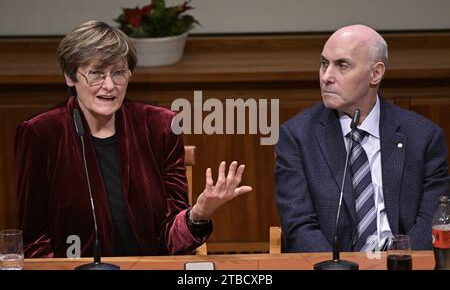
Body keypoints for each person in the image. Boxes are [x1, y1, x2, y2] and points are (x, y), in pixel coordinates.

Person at [15, 20, 252, 258]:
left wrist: (198, 214)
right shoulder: (40, 134)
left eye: (118, 73)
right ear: (70, 76)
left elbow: (171, 240)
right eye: (96, 73)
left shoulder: (160, 127)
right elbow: (35, 240)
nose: (109, 86)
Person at [275, 24, 450, 252]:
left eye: (342, 65)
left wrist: (400, 262)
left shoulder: (423, 136)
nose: (326, 76)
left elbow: (433, 220)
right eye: (324, 64)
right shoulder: (297, 137)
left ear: (376, 73)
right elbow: (299, 227)